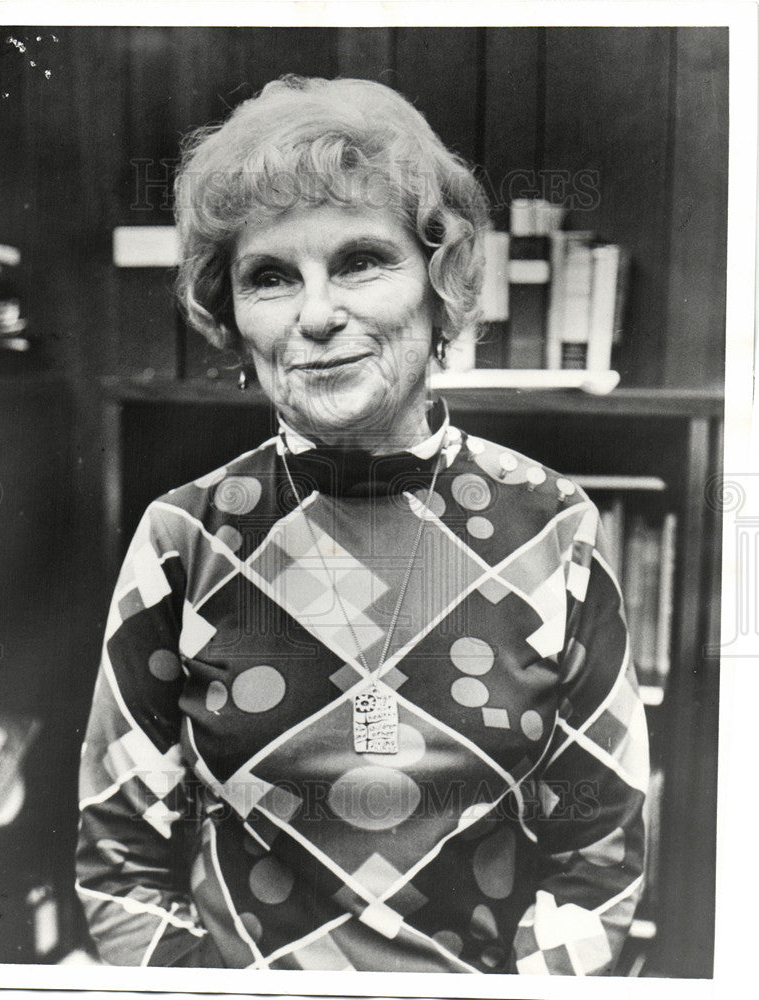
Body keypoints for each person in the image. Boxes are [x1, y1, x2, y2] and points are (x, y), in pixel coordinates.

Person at [76, 75, 648, 974]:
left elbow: (598, 863)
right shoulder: (183, 536)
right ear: (233, 315)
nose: (315, 315)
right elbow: (120, 862)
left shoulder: (552, 527)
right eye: (271, 277)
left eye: (360, 261)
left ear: (441, 282)